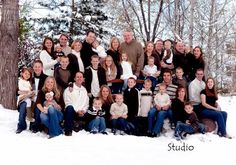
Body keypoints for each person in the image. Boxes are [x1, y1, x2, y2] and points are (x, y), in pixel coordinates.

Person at [63, 72, 89, 136]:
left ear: (83, 79)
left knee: (91, 111)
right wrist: (77, 110)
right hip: (72, 112)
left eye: (81, 77)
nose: (79, 78)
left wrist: (83, 110)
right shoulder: (69, 89)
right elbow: (67, 102)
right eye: (77, 77)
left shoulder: (84, 90)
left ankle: (80, 126)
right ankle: (68, 131)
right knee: (69, 108)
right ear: (74, 78)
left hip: (82, 113)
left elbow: (86, 103)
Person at [29, 59, 48, 133]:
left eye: (39, 67)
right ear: (33, 68)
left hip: (42, 99)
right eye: (35, 67)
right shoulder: (31, 79)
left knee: (37, 109)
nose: (37, 68)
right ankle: (34, 123)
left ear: (42, 67)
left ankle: (37, 126)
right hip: (32, 99)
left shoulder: (46, 78)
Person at [16, 67, 35, 133]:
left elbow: (30, 89)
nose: (27, 75)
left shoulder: (28, 82)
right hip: (22, 98)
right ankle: (21, 125)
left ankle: (30, 119)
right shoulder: (20, 80)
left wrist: (31, 92)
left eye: (29, 74)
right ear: (22, 74)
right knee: (23, 107)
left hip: (28, 97)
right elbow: (20, 89)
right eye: (25, 73)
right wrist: (28, 91)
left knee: (31, 101)